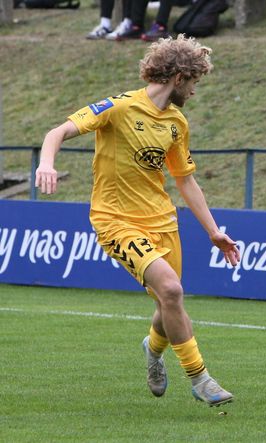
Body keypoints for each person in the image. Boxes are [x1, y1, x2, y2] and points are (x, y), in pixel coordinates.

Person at [35, 35, 240, 407]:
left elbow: (185, 180)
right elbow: (58, 131)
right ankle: (201, 378)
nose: (194, 91)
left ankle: (154, 350)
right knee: (173, 292)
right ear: (179, 77)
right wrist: (47, 163)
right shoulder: (118, 107)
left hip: (162, 222)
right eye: (194, 82)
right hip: (115, 220)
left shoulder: (176, 122)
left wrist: (214, 232)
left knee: (167, 303)